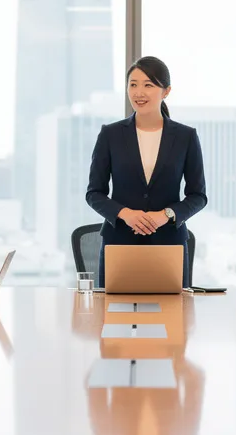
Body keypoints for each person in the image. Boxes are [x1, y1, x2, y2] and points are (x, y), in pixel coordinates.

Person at [86, 56, 207, 287]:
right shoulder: (110, 135)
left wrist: (166, 215)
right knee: (115, 318)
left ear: (166, 91)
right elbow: (94, 193)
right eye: (133, 84)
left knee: (172, 317)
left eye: (148, 85)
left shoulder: (185, 137)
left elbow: (198, 196)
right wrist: (125, 213)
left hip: (169, 244)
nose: (138, 92)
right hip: (119, 243)